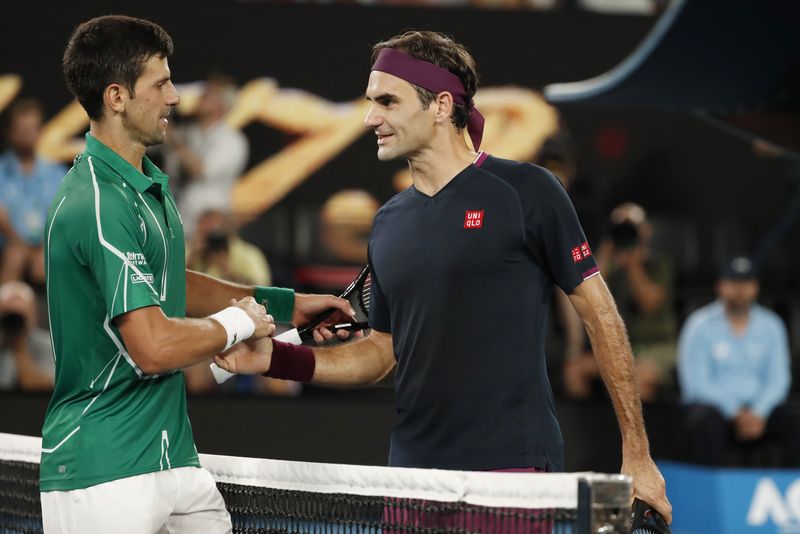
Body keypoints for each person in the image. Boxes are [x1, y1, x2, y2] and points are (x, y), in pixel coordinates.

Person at [215, 30, 671, 523]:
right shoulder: (389, 222)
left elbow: (600, 314)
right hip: (410, 478)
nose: (371, 118)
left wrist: (638, 453)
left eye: (387, 101)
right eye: (371, 102)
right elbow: (382, 353)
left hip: (509, 472)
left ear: (440, 106)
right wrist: (274, 359)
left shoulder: (527, 191)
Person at [40, 16, 352, 534]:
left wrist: (286, 306)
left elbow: (173, 284)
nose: (175, 99)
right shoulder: (95, 203)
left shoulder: (145, 188)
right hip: (104, 475)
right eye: (160, 84)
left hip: (173, 460)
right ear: (116, 96)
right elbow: (153, 346)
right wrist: (238, 323)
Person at [678, 256, 800, 467]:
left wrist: (759, 412)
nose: (740, 290)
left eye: (746, 283)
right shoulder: (699, 325)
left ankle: (791, 492)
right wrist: (735, 411)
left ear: (756, 287)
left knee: (793, 418)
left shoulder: (771, 325)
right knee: (704, 421)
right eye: (733, 283)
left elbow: (779, 380)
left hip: (761, 410)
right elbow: (696, 383)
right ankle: (710, 493)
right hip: (718, 411)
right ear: (720, 286)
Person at [563, 203, 678, 401]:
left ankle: (640, 433)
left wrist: (633, 262)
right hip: (620, 348)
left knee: (637, 380)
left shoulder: (660, 265)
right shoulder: (611, 268)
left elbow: (649, 303)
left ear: (646, 231)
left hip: (656, 346)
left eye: (631, 227)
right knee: (574, 372)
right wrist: (608, 246)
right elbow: (587, 296)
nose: (625, 231)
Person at [164, 74, 248, 237]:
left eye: (209, 95)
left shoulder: (232, 140)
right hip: (181, 219)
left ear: (222, 105)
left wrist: (173, 139)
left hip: (210, 227)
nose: (201, 98)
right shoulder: (190, 134)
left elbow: (201, 170)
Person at [0, 99, 66, 285]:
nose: (26, 135)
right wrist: (23, 247)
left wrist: (44, 248)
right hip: (10, 248)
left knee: (59, 259)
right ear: (9, 132)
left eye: (32, 128)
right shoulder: (1, 171)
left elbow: (61, 217)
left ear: (40, 130)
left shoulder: (56, 172)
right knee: (15, 255)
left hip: (46, 248)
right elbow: (2, 217)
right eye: (21, 130)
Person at [0, 280, 54, 391]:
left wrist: (19, 348)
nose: (13, 322)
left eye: (19, 316)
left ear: (33, 315)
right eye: (8, 314)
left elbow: (44, 390)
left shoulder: (48, 345)